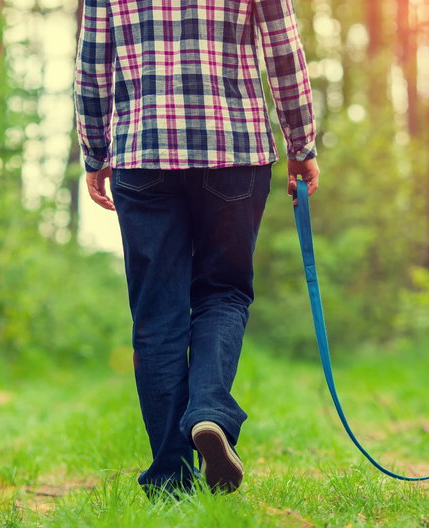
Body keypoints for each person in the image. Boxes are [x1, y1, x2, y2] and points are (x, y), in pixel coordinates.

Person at [74, 0, 319, 497]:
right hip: (234, 148)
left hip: (143, 153)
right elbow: (284, 51)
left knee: (156, 313)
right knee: (223, 293)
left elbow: (93, 65)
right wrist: (301, 144)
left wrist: (95, 152)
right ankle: (208, 411)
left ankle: (169, 477)